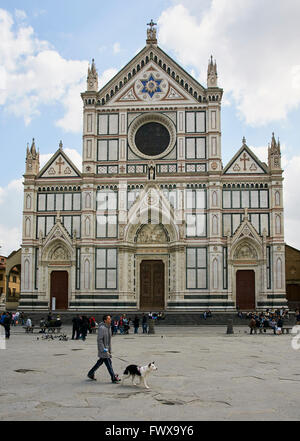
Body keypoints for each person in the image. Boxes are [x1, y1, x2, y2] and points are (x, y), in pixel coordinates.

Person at [87, 314, 121, 383]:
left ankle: (90, 373)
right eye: (108, 319)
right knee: (108, 363)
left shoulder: (109, 327)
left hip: (107, 349)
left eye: (110, 318)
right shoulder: (102, 328)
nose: (110, 320)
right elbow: (99, 340)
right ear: (105, 320)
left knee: (100, 362)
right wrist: (103, 349)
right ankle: (113, 377)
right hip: (104, 350)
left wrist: (108, 349)